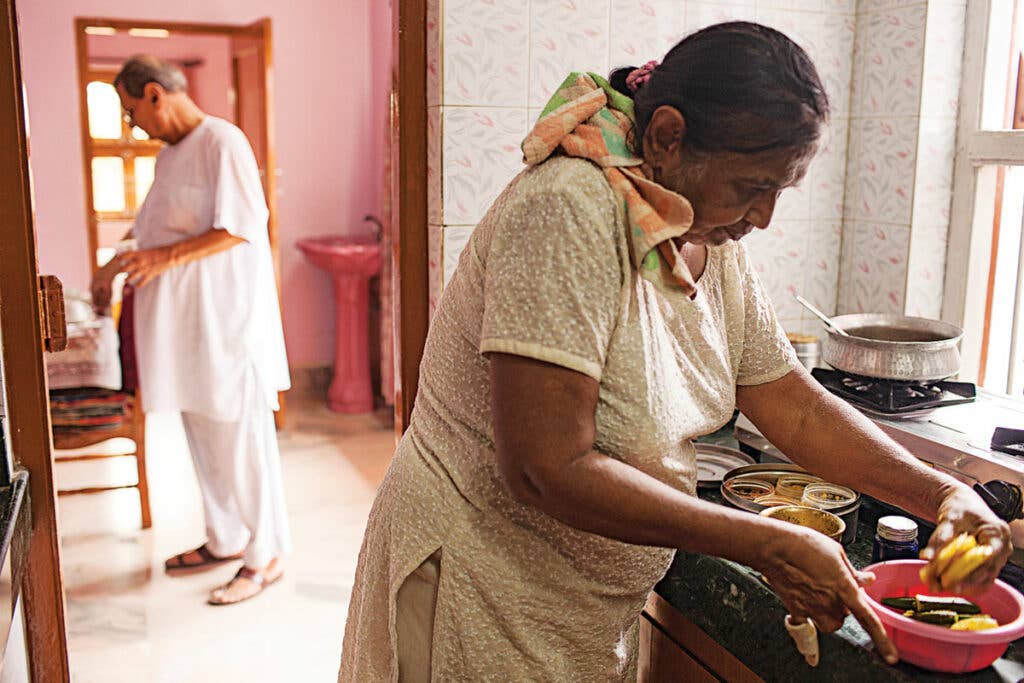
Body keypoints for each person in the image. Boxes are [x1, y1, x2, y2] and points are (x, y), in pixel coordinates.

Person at [339, 23, 1012, 680]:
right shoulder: (566, 210)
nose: (766, 216)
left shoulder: (704, 232)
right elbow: (544, 465)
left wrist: (944, 492)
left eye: (780, 189)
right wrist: (766, 542)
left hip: (580, 607)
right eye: (752, 186)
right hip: (477, 588)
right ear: (666, 136)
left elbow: (792, 404)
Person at [90, 55, 292, 606]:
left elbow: (240, 228)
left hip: (228, 322)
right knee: (201, 434)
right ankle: (225, 538)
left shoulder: (221, 142)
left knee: (240, 437)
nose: (134, 126)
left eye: (133, 113)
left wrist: (161, 257)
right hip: (186, 328)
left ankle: (265, 554)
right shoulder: (172, 155)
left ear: (156, 94)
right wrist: (118, 260)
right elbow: (154, 223)